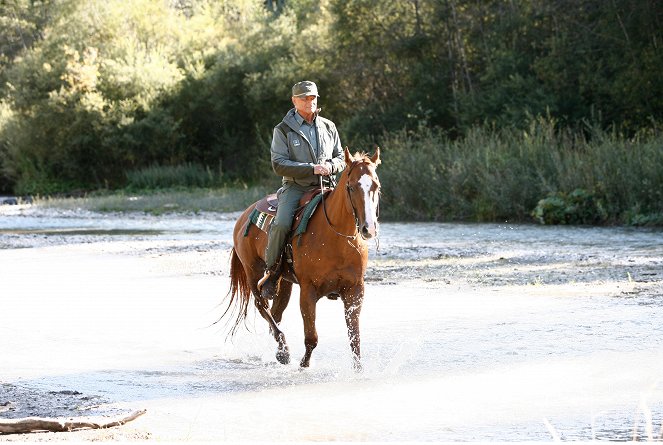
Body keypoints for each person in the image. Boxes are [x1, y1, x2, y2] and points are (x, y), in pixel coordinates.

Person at [257, 80, 346, 298]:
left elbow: (341, 157)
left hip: (328, 186)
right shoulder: (283, 129)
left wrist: (331, 166)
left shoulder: (328, 126)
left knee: (350, 217)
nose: (309, 101)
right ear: (294, 101)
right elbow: (278, 163)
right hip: (296, 187)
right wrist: (312, 169)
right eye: (304, 98)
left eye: (313, 97)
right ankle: (272, 272)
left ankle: (342, 272)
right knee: (282, 224)